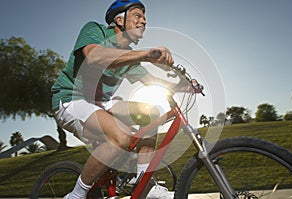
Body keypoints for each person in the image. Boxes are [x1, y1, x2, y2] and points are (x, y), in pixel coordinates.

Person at [51, 0, 189, 198]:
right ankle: (76, 195)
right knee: (121, 137)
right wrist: (146, 54)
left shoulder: (129, 57)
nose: (144, 21)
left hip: (103, 104)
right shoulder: (94, 29)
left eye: (144, 17)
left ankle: (143, 183)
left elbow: (152, 81)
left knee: (151, 113)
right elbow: (94, 56)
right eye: (137, 15)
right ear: (119, 19)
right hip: (72, 98)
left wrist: (183, 86)